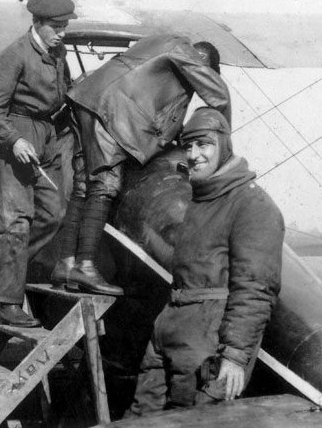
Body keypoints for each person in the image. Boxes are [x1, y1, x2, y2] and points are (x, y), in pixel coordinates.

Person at [129, 107, 284, 415]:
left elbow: (255, 289)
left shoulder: (252, 204)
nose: (194, 154)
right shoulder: (200, 200)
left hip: (209, 338)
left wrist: (236, 356)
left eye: (204, 144)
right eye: (188, 146)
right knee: (140, 423)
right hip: (170, 326)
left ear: (224, 146)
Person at [54, 35, 232, 295]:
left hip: (85, 101)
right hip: (111, 113)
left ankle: (65, 264)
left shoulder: (163, 46)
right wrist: (221, 150)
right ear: (206, 67)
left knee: (83, 186)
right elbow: (221, 98)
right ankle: (86, 267)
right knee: (106, 186)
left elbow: (160, 115)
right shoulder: (188, 57)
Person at [0, 0, 77, 327]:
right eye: (56, 26)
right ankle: (6, 302)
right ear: (37, 23)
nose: (62, 32)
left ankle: (6, 271)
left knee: (53, 213)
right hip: (15, 136)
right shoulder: (14, 55)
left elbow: (64, 89)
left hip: (47, 136)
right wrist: (15, 139)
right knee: (17, 222)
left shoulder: (57, 51)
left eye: (64, 26)